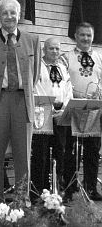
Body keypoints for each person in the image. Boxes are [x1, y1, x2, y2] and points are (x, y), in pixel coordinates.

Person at [0, 0, 41, 217]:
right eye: (5, 13)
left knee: (23, 155)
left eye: (13, 13)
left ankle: (22, 200)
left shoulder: (32, 40)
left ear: (19, 15)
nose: (9, 17)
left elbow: (36, 74)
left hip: (23, 102)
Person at [62, 22, 102, 201]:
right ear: (76, 36)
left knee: (93, 151)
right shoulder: (66, 57)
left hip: (94, 109)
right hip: (74, 109)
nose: (86, 38)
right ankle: (70, 188)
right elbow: (62, 81)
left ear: (93, 37)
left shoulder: (100, 57)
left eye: (89, 35)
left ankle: (91, 188)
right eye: (82, 35)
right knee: (71, 151)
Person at [31, 38, 73, 200]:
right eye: (51, 49)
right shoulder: (37, 67)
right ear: (43, 50)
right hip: (42, 115)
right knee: (40, 154)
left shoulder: (62, 68)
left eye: (57, 49)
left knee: (59, 153)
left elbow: (68, 90)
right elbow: (34, 89)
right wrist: (47, 105)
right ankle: (38, 191)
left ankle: (56, 190)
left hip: (60, 117)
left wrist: (64, 109)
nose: (54, 52)